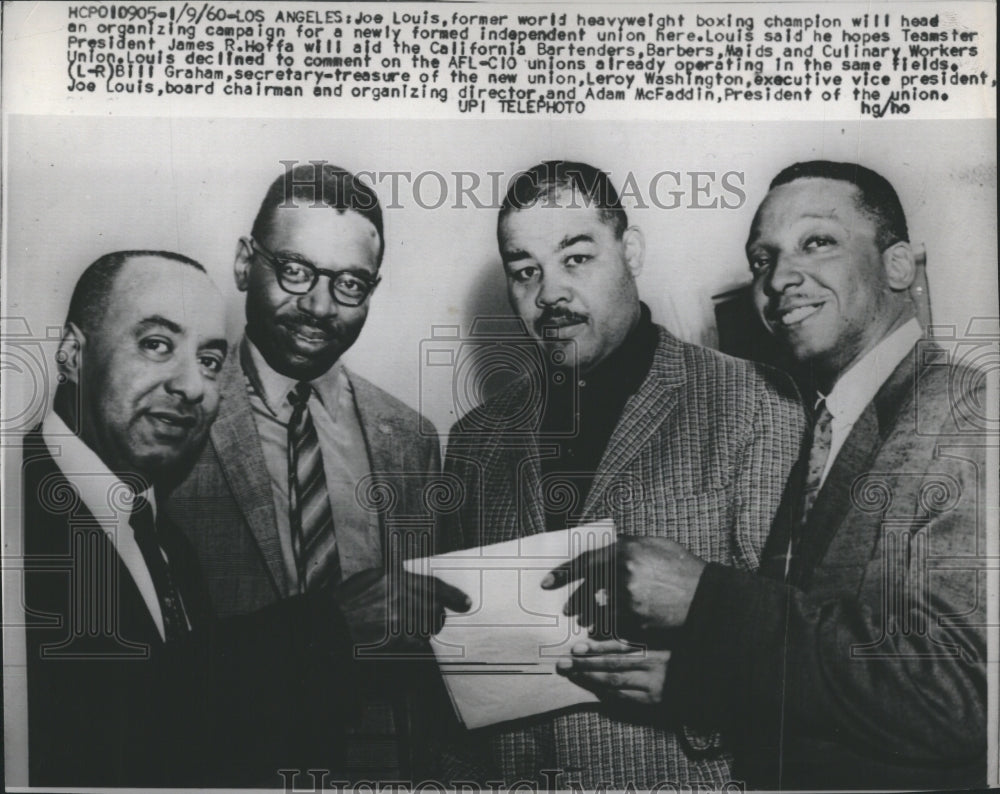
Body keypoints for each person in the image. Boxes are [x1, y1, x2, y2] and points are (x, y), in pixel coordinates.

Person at [550, 161, 988, 789]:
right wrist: (703, 681)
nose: (780, 278)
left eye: (818, 242)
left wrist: (706, 599)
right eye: (762, 259)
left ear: (897, 266)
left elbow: (958, 691)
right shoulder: (824, 423)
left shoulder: (966, 413)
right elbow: (835, 665)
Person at [22, 250, 469, 787]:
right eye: (156, 344)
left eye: (210, 360)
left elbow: (188, 736)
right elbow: (100, 724)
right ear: (72, 352)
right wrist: (333, 627)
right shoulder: (16, 514)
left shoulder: (164, 543)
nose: (192, 386)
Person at [439, 161, 806, 789]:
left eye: (575, 259)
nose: (549, 294)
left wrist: (699, 688)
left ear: (630, 251)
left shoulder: (757, 403)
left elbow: (805, 643)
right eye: (525, 271)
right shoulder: (474, 439)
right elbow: (455, 668)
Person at [163, 163, 448, 779]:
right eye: (294, 271)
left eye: (349, 284)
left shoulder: (412, 442)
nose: (319, 306)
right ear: (245, 264)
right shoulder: (173, 417)